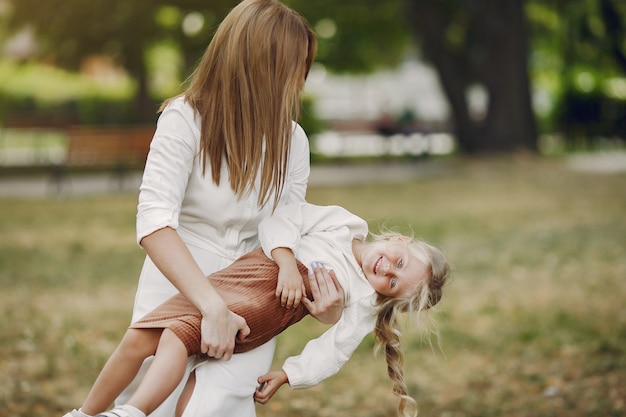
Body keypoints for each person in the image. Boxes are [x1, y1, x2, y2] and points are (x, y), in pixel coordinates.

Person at [108, 1, 344, 417]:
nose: (298, 83)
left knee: (216, 405)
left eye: (302, 68)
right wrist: (210, 307)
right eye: (292, 68)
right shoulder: (184, 119)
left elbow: (289, 227)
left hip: (252, 290)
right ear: (256, 64)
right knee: (154, 404)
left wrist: (329, 310)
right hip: (179, 281)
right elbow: (154, 222)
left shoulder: (294, 141)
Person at [62, 203, 449, 417]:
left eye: (394, 284)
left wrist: (288, 374)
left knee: (175, 336)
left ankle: (133, 413)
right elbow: (285, 217)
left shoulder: (363, 299)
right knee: (140, 336)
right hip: (247, 272)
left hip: (264, 305)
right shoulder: (344, 225)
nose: (387, 271)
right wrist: (285, 264)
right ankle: (86, 415)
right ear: (398, 239)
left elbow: (334, 351)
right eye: (398, 262)